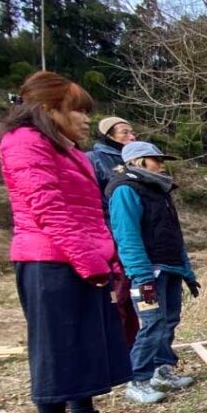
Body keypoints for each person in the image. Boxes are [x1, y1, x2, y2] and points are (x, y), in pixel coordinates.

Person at [0, 72, 136, 413]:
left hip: (82, 256)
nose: (86, 119)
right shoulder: (24, 143)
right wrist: (91, 261)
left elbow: (90, 211)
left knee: (85, 339)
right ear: (49, 109)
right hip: (50, 260)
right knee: (57, 345)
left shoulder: (67, 149)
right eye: (78, 111)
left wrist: (105, 255)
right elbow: (50, 211)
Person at [107, 141, 199, 404]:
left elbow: (175, 236)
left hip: (170, 267)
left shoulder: (160, 191)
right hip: (149, 270)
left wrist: (186, 271)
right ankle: (138, 380)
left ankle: (162, 369)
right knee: (151, 324)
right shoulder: (126, 189)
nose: (161, 164)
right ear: (138, 162)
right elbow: (127, 235)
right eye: (155, 159)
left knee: (169, 321)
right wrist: (141, 274)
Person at [88, 116, 139, 348]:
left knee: (141, 296)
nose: (131, 136)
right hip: (112, 235)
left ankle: (136, 348)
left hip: (138, 234)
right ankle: (117, 349)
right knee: (119, 291)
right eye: (125, 132)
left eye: (132, 132)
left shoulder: (137, 160)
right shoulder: (95, 159)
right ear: (108, 135)